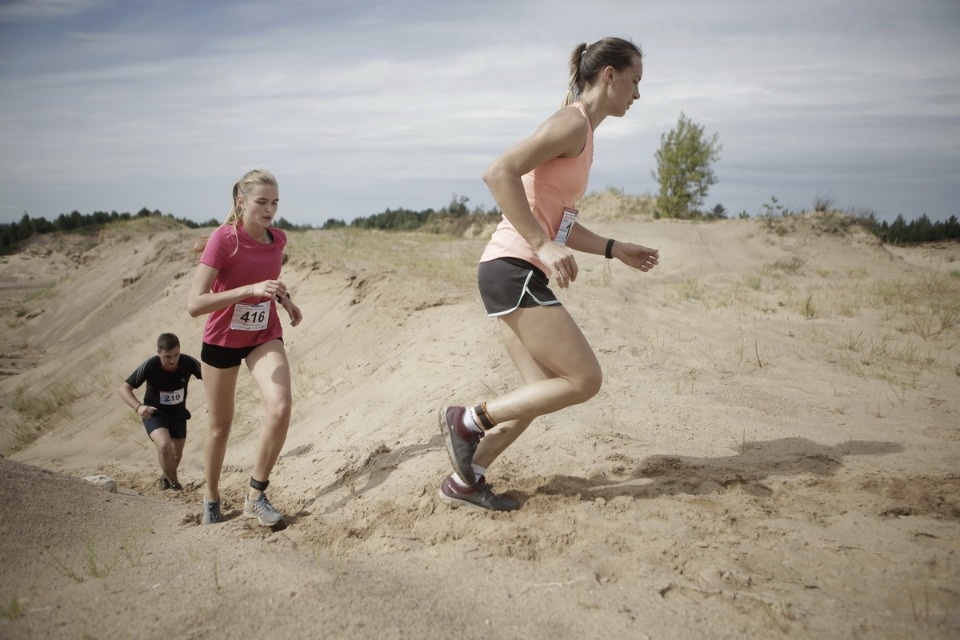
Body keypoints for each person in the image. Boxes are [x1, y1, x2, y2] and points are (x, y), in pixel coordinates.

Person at [438, 37, 660, 511]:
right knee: (584, 380)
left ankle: (465, 480)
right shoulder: (571, 124)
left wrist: (613, 248)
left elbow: (558, 219)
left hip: (510, 269)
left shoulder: (584, 134)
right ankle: (468, 421)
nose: (639, 93)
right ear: (609, 76)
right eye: (636, 80)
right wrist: (541, 245)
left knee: (537, 395)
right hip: (513, 266)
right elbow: (499, 172)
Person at [186, 169, 303, 526]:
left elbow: (269, 280)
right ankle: (211, 497)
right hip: (221, 340)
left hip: (262, 335)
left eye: (275, 203)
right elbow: (195, 303)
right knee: (221, 426)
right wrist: (249, 290)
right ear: (242, 202)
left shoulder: (277, 239)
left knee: (280, 407)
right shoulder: (225, 240)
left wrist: (285, 300)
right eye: (262, 202)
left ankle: (256, 494)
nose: (270, 210)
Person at [118, 333, 202, 491]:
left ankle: (165, 477)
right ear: (159, 353)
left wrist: (215, 401)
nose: (172, 360)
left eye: (176, 355)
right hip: (155, 413)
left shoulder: (188, 362)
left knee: (176, 454)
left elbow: (211, 377)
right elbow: (123, 389)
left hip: (178, 414)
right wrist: (139, 407)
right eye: (167, 356)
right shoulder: (150, 365)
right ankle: (175, 485)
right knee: (164, 445)